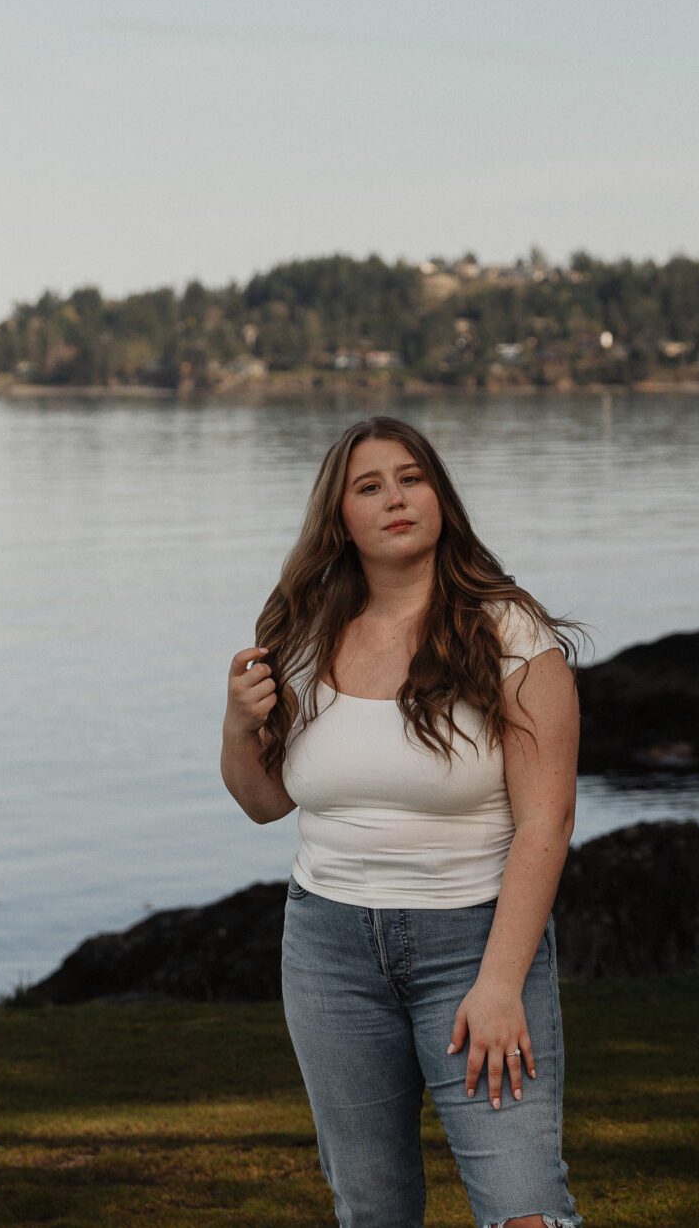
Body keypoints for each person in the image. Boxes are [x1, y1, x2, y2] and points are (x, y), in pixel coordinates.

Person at [221, 415, 583, 1228]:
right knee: (374, 1209)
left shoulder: (511, 633)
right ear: (339, 517)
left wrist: (498, 984)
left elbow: (546, 824)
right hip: (329, 951)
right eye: (370, 485)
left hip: (475, 943)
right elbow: (264, 800)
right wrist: (238, 727)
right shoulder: (303, 637)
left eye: (412, 477)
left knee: (524, 1206)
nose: (396, 497)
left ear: (441, 498)